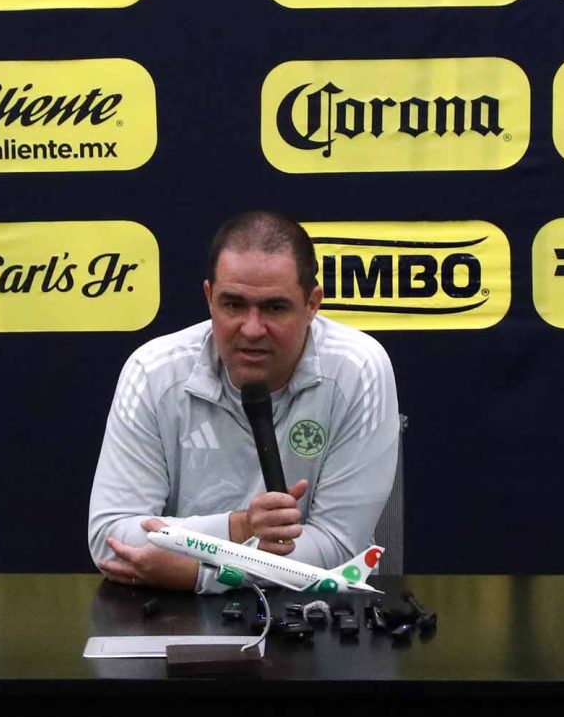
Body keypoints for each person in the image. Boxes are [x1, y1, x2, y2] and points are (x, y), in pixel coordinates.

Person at [90, 210, 401, 593]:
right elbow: (111, 538)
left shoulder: (358, 369)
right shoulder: (153, 371)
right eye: (233, 305)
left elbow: (338, 550)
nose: (252, 329)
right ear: (209, 297)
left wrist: (197, 574)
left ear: (312, 304)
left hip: (306, 621)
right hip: (167, 621)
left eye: (275, 307)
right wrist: (239, 527)